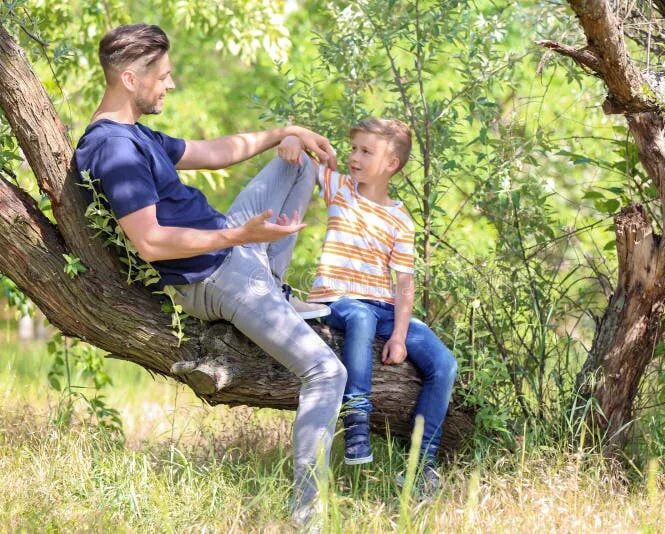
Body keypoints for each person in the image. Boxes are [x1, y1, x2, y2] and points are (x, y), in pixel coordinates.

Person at [72, 23, 345, 526]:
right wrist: (237, 240)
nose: (170, 85)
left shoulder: (136, 136)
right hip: (215, 274)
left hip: (230, 247)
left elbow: (213, 151)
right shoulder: (115, 150)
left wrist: (288, 132)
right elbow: (150, 241)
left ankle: (277, 291)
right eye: (164, 76)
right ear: (131, 79)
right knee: (327, 371)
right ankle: (308, 515)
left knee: (297, 161)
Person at [276, 118, 458, 494]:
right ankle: (357, 418)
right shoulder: (340, 188)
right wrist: (292, 137)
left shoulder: (400, 218)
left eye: (365, 151)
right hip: (337, 299)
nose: (354, 157)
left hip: (383, 307)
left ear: (391, 164)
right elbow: (299, 145)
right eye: (354, 148)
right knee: (358, 316)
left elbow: (404, 284)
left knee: (444, 363)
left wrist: (401, 336)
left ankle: (421, 466)